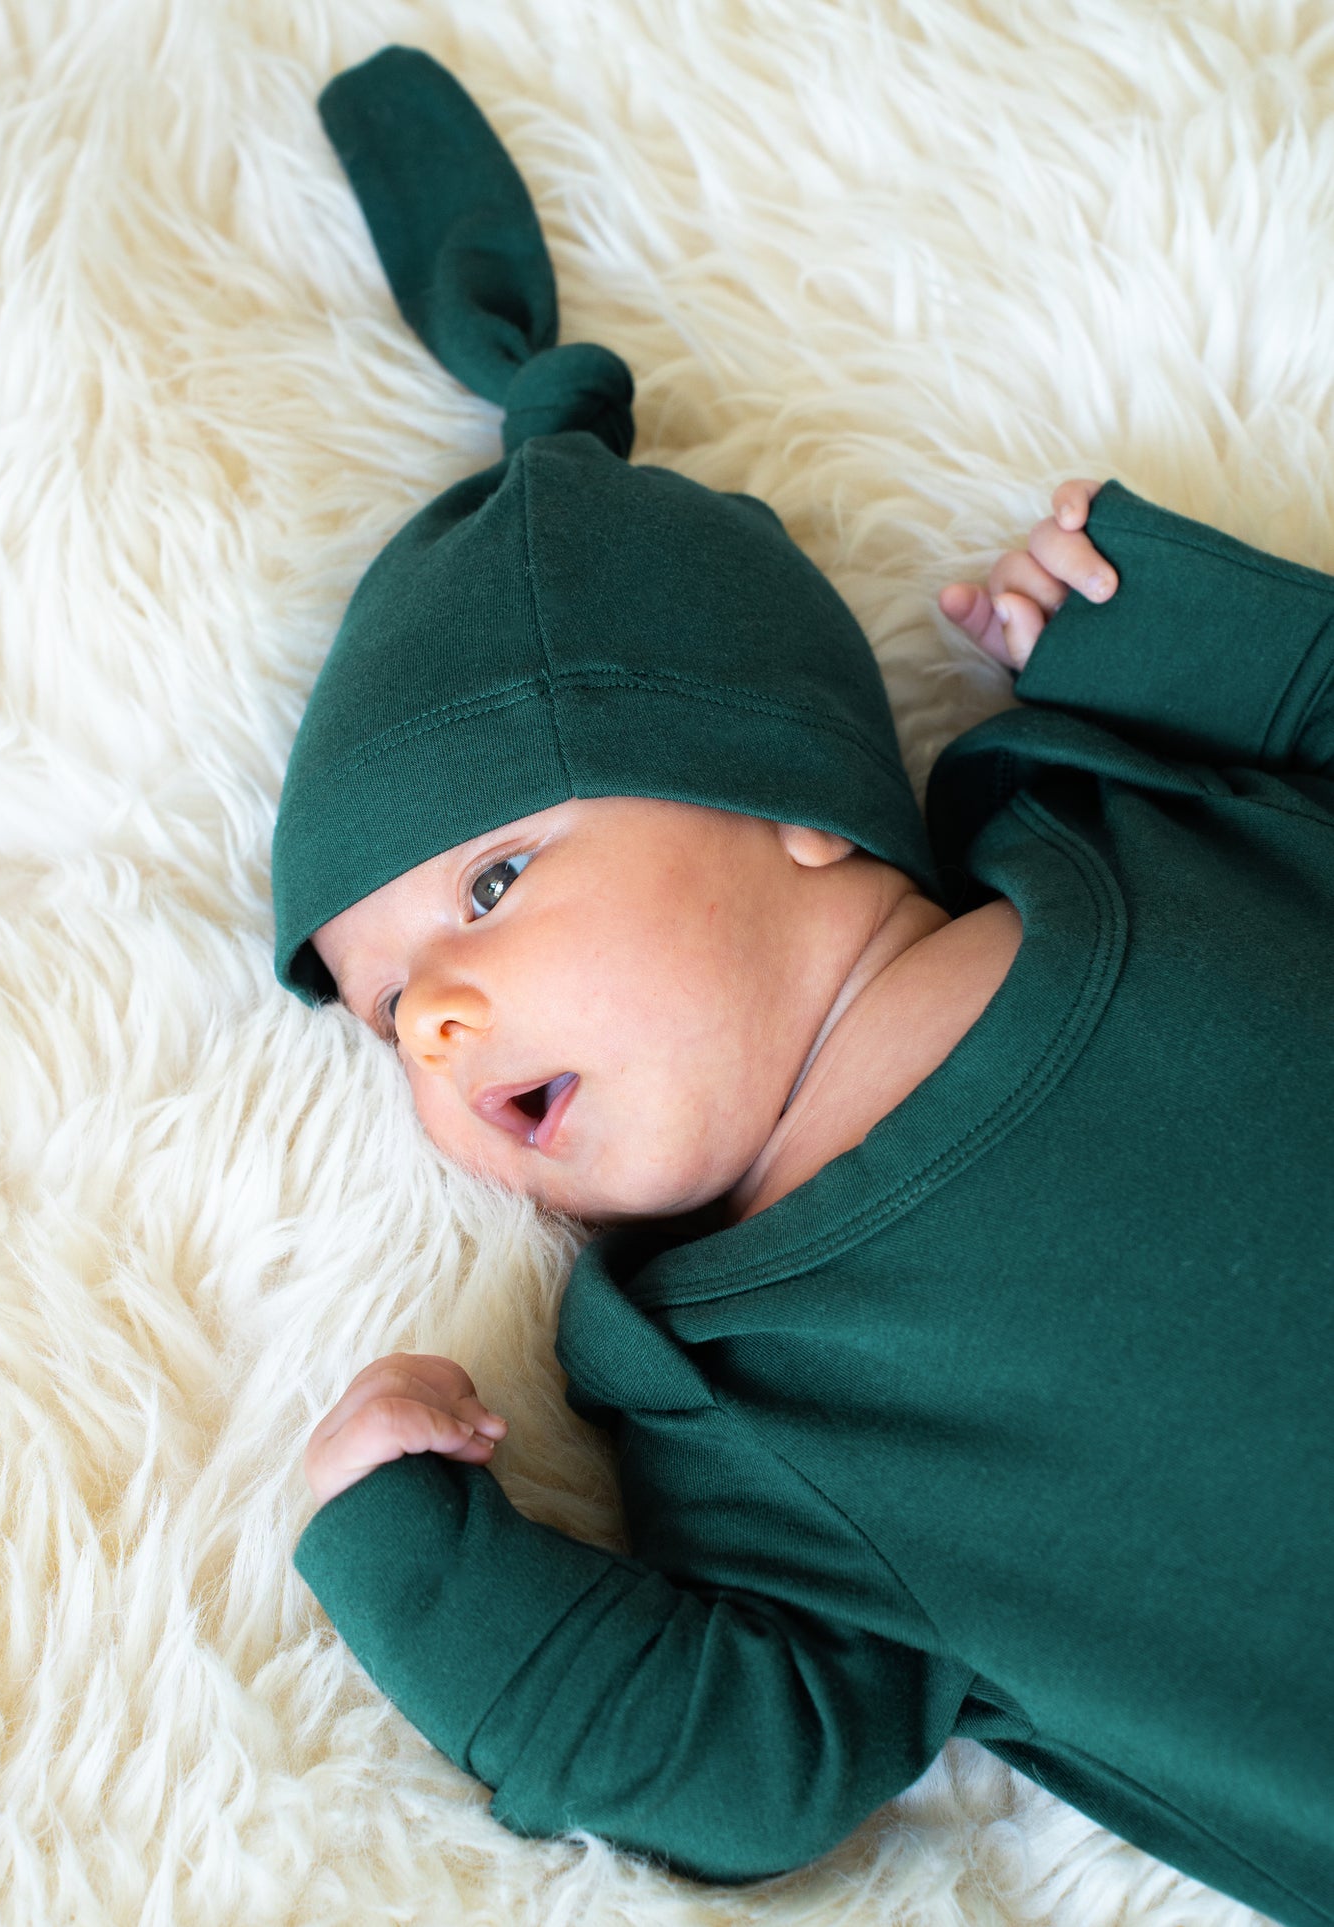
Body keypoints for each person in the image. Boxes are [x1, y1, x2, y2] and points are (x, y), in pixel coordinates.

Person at [275, 46, 1334, 1926]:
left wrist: (1209, 653)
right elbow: (756, 1770)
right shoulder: (722, 1393)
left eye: (493, 882)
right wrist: (424, 1573)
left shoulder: (1148, 821)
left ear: (790, 803)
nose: (433, 1017)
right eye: (382, 1017)